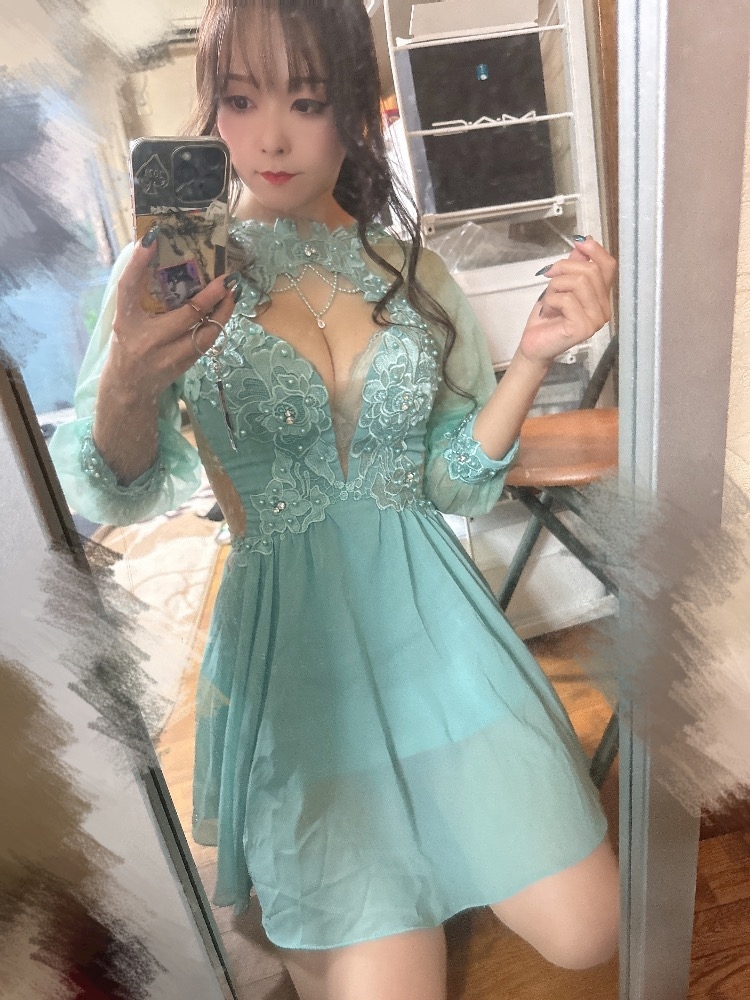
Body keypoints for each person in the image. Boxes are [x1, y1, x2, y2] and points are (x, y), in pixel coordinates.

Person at [50, 2, 619, 997]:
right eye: (240, 100)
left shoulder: (414, 272)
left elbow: (449, 475)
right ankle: (365, 887)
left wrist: (533, 358)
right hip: (295, 652)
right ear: (210, 110)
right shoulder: (176, 273)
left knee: (591, 930)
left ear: (355, 111)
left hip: (437, 629)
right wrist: (129, 378)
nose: (270, 138)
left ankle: (422, 855)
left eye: (306, 102)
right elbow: (120, 489)